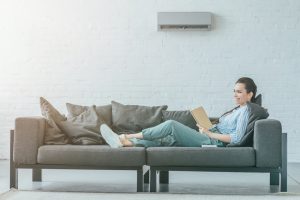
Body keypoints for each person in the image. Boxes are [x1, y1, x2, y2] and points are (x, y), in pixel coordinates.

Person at [100, 77, 257, 148]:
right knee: (166, 138)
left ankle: (127, 136)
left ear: (250, 94)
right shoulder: (238, 109)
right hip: (210, 134)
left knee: (171, 125)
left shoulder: (246, 112)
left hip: (214, 142)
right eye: (234, 91)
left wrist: (209, 134)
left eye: (239, 92)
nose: (235, 95)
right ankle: (125, 144)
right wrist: (208, 125)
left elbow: (236, 138)